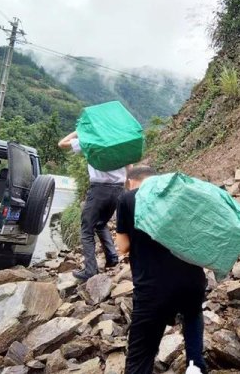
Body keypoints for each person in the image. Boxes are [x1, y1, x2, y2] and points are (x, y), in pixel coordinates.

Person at [115, 165, 208, 374]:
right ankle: (195, 366)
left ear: (131, 182)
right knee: (192, 314)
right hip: (192, 280)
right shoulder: (180, 195)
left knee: (141, 352)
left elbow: (123, 246)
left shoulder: (128, 199)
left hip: (153, 288)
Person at [58, 131, 124, 281]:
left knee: (86, 229)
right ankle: (112, 257)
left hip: (99, 189)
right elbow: (130, 165)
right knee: (101, 223)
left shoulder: (91, 141)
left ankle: (90, 269)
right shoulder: (120, 142)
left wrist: (78, 131)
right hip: (118, 190)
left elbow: (62, 144)